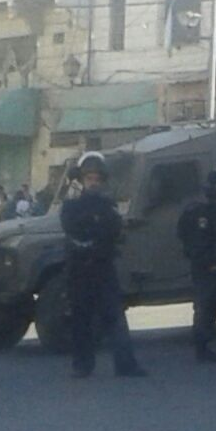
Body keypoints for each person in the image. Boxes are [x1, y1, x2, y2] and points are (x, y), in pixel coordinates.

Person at [60, 152, 145, 378]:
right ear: (81, 180)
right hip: (79, 270)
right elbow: (72, 228)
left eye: (97, 179)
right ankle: (82, 366)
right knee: (81, 320)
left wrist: (95, 228)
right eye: (89, 179)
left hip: (103, 268)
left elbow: (114, 231)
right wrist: (94, 227)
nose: (94, 183)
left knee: (115, 317)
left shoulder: (108, 205)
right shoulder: (70, 206)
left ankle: (125, 364)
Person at [177, 167, 216, 363]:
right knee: (206, 305)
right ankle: (202, 347)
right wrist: (208, 260)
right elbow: (196, 239)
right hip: (206, 265)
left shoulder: (213, 210)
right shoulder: (203, 212)